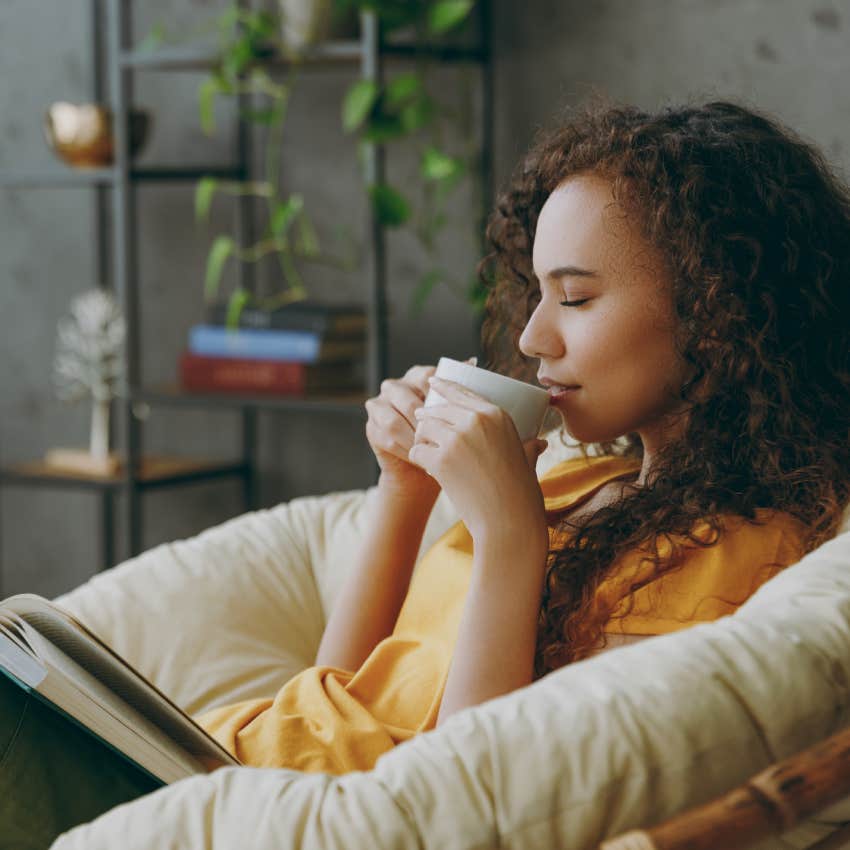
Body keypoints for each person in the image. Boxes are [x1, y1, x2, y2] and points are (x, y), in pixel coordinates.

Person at [193, 97, 850, 774]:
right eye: (536, 293)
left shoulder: (726, 555)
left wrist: (511, 538)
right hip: (230, 766)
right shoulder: (572, 479)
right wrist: (404, 487)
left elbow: (478, 798)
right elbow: (334, 700)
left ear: (717, 308)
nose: (532, 337)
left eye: (574, 298)